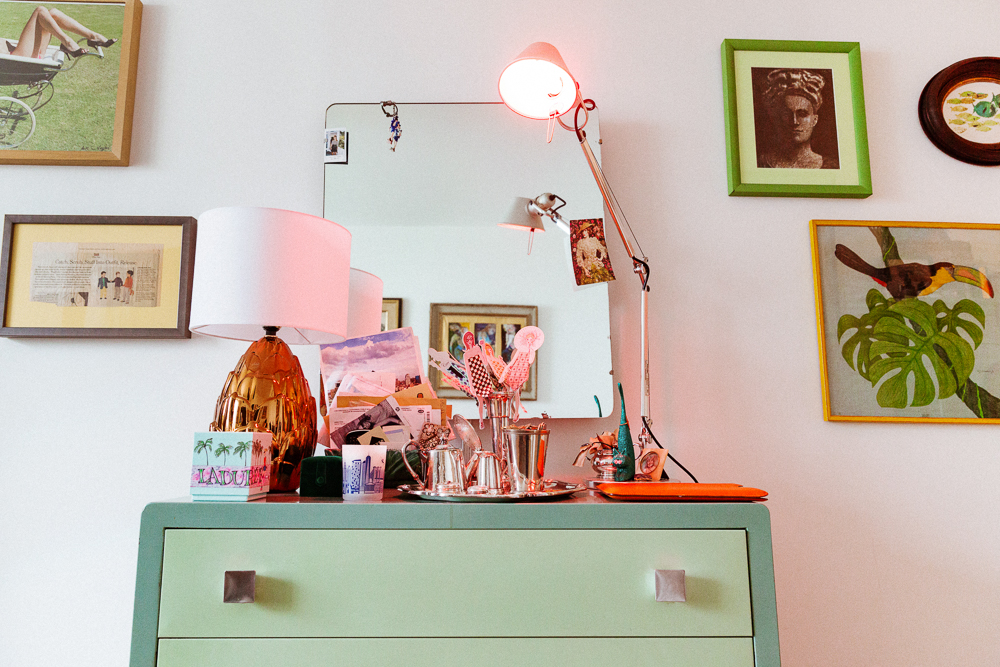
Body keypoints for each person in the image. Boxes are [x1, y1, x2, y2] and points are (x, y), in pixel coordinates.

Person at [758, 69, 839, 170]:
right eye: (787, 114)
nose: (795, 121)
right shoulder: (761, 163)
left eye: (802, 114)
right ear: (778, 118)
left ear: (814, 120)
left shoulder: (832, 167)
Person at [5, 6, 117, 60]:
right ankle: (67, 42)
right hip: (17, 59)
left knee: (53, 13)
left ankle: (93, 37)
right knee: (40, 11)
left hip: (26, 53)